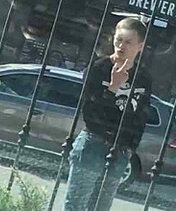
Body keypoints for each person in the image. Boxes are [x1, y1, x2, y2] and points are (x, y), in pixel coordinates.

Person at [63, 17, 151, 211]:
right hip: (93, 143)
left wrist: (129, 148)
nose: (121, 46)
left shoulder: (143, 78)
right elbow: (90, 111)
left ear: (140, 46)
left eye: (128, 42)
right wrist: (113, 88)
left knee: (101, 207)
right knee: (76, 206)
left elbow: (141, 116)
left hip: (120, 149)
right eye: (118, 40)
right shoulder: (98, 69)